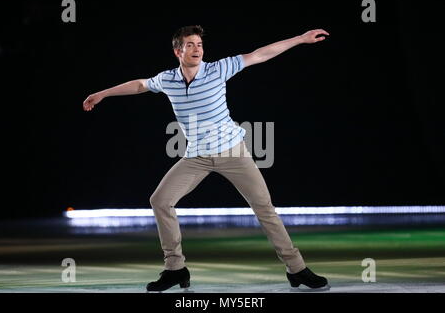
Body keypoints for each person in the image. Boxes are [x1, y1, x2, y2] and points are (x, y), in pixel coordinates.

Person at [83, 25, 330, 292]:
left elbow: (259, 54)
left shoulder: (218, 69)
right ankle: (175, 268)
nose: (197, 49)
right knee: (160, 200)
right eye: (190, 45)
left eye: (199, 44)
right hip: (196, 156)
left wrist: (300, 39)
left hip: (233, 151)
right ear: (178, 51)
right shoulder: (168, 79)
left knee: (264, 207)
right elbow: (140, 85)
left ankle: (297, 269)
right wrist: (103, 93)